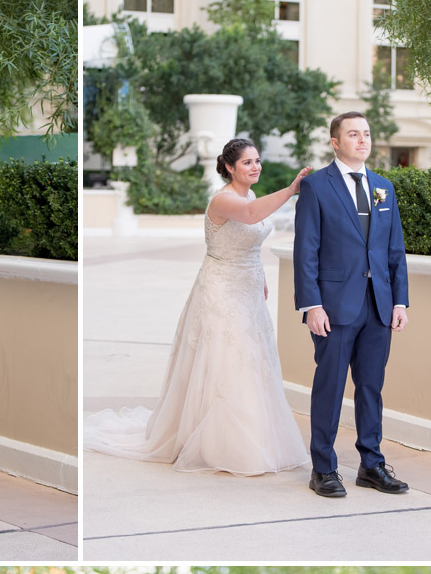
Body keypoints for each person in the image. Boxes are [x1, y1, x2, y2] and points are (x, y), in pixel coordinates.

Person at [84, 136, 309, 475]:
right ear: (230, 167)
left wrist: (259, 274)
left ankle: (258, 439)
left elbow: (250, 237)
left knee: (254, 360)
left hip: (248, 286)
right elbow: (250, 216)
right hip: (221, 289)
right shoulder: (223, 200)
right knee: (228, 359)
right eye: (247, 162)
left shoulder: (249, 195)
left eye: (257, 160)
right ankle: (224, 446)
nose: (256, 166)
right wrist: (292, 189)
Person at [293, 112, 409, 499]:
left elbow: (395, 252)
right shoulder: (316, 187)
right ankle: (323, 469)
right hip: (334, 307)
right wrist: (312, 304)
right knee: (330, 387)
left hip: (378, 306)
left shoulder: (384, 188)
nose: (362, 140)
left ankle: (371, 465)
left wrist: (400, 302)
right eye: (353, 134)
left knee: (371, 388)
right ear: (335, 142)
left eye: (366, 133)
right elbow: (306, 249)